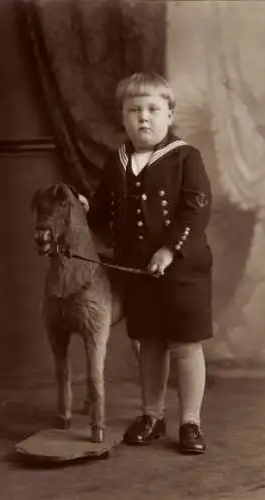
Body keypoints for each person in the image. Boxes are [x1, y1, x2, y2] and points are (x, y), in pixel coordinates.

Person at [85, 72, 213, 455]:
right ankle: (152, 415)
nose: (144, 117)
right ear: (123, 117)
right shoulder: (117, 160)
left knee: (186, 345)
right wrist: (83, 213)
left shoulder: (186, 157)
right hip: (137, 272)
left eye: (153, 109)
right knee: (150, 343)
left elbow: (195, 210)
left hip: (183, 270)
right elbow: (103, 209)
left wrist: (170, 249)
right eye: (134, 110)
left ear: (169, 114)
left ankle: (190, 421)